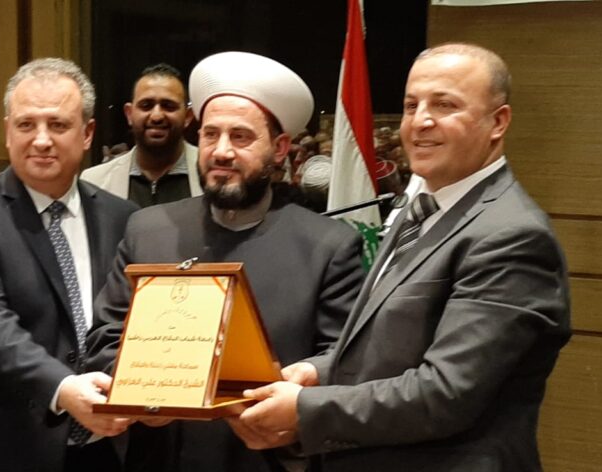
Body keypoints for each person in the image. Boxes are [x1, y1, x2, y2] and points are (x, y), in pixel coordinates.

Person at [235, 43, 572, 471]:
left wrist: (305, 408)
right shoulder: (423, 207)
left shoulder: (511, 236)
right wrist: (319, 370)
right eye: (412, 105)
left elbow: (445, 393)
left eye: (445, 105)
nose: (420, 121)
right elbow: (390, 345)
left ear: (498, 122)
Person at [86, 51, 365, 472]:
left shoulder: (327, 245)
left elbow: (348, 358)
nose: (221, 151)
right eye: (211, 135)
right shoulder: (148, 230)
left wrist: (302, 386)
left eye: (240, 137)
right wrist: (136, 389)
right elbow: (105, 338)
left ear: (279, 149)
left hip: (265, 459)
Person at [0, 57, 138, 472]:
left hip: (103, 449)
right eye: (26, 124)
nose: (41, 140)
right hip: (0, 451)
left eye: (58, 125)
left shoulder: (124, 218)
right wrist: (62, 388)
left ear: (87, 133)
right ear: (8, 131)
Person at [81, 63, 202, 207]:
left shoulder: (214, 173)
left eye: (168, 106)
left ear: (188, 116)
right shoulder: (95, 182)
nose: (156, 116)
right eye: (146, 106)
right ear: (129, 114)